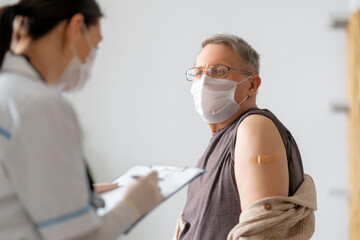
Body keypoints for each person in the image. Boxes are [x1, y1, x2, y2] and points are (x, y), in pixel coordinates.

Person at [0, 1, 163, 239]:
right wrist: (132, 206)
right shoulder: (41, 105)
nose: (91, 57)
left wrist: (77, 195)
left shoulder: (9, 91)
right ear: (76, 27)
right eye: (95, 45)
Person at [174, 34, 312, 240]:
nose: (204, 81)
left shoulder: (254, 126)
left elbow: (262, 232)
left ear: (252, 85)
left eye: (218, 71)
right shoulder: (216, 145)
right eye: (198, 72)